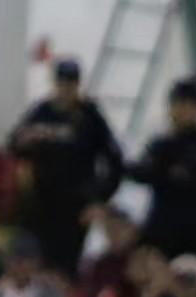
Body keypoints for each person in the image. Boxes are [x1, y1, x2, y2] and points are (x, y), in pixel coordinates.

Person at [9, 59, 123, 277]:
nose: (66, 89)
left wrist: (100, 199)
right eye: (62, 83)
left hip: (75, 207)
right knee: (36, 265)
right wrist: (28, 139)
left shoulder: (89, 115)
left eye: (71, 84)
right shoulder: (42, 111)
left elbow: (115, 160)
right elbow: (14, 145)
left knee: (66, 269)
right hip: (40, 205)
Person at [127, 79, 196, 261]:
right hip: (159, 224)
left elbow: (194, 179)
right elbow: (139, 173)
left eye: (188, 105)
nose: (182, 111)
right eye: (178, 104)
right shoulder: (160, 143)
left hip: (191, 231)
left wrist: (161, 171)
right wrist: (166, 171)